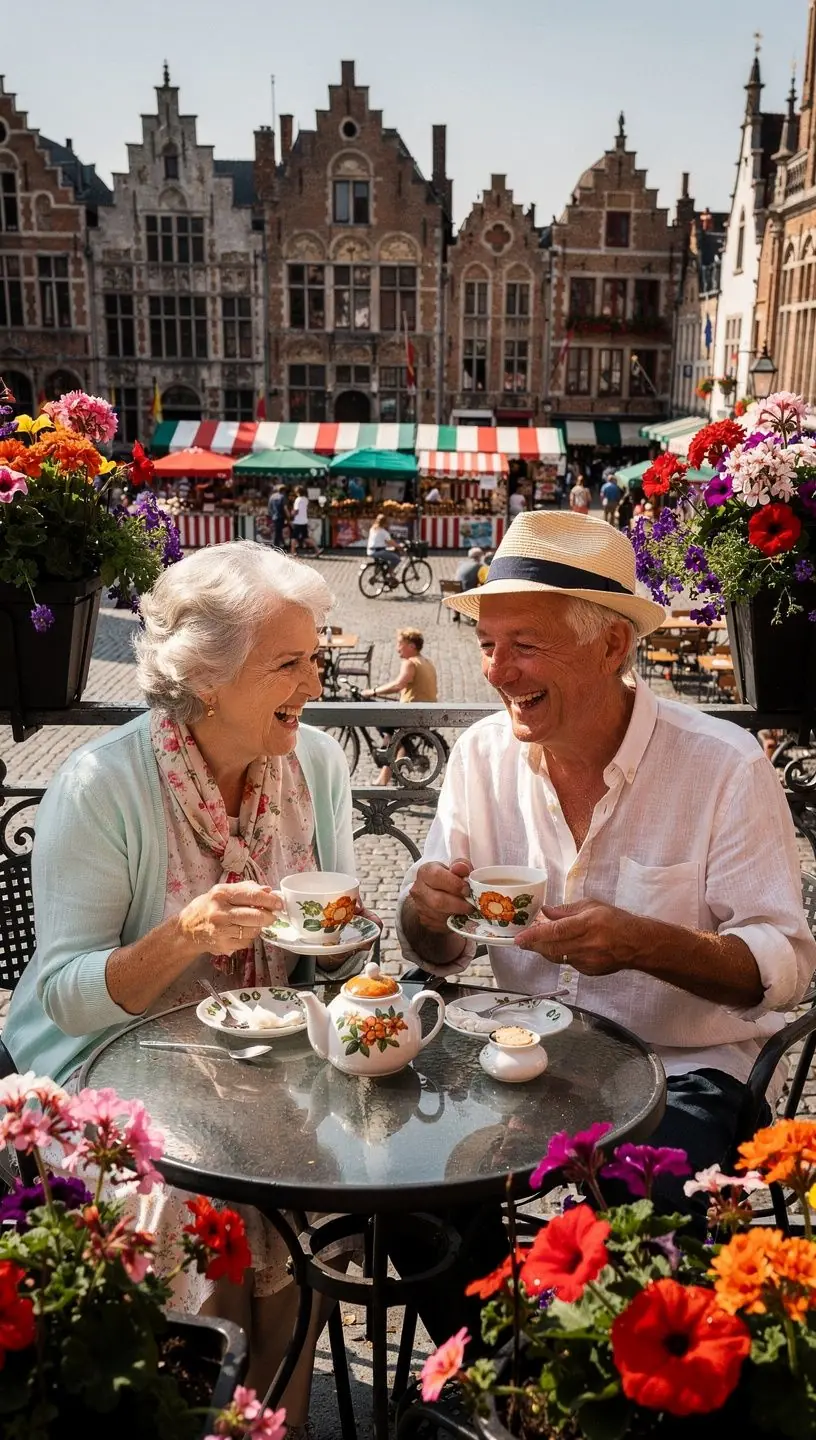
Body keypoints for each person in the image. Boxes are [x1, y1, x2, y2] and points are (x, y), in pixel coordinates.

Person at [4, 540, 373, 1423]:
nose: (314, 683)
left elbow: (341, 946)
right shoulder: (101, 783)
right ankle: (183, 1403)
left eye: (316, 656)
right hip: (104, 1074)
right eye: (289, 664)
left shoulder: (315, 764)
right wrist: (184, 935)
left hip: (263, 1066)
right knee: (189, 1195)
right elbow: (62, 993)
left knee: (341, 1171)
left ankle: (264, 1410)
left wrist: (340, 950)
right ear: (206, 679)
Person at [398, 511, 816, 1227]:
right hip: (513, 1060)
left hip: (683, 1072)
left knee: (636, 1206)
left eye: (525, 645)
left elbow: (783, 968)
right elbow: (442, 951)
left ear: (613, 644)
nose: (497, 672)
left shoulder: (723, 766)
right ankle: (491, 1342)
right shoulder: (479, 755)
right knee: (403, 1191)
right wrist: (424, 913)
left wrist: (640, 945)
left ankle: (594, 1338)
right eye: (489, 644)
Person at [363, 628, 438, 785]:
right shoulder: (426, 662)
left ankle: (388, 751)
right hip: (424, 714)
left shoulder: (410, 663)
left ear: (411, 646)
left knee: (380, 719)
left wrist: (373, 692)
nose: (397, 648)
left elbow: (398, 685)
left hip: (411, 715)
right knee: (395, 736)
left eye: (400, 644)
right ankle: (387, 772)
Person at [366, 511, 401, 581]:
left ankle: (379, 572)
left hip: (370, 551)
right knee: (396, 559)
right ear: (385, 523)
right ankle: (390, 573)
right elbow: (390, 542)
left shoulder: (372, 529)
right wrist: (399, 546)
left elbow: (380, 541)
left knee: (385, 558)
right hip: (378, 551)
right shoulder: (383, 532)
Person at [289, 486, 321, 556]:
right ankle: (317, 549)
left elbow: (296, 511)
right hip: (304, 521)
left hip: (298, 521)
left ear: (297, 492)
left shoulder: (298, 500)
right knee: (305, 537)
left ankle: (292, 552)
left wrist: (292, 513)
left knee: (294, 537)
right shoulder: (306, 499)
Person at [267, 483, 288, 549]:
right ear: (283, 491)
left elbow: (269, 507)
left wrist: (271, 515)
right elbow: (285, 508)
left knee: (277, 531)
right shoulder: (282, 497)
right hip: (281, 516)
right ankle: (276, 546)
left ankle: (282, 545)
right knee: (278, 532)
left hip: (274, 517)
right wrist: (288, 517)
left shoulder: (272, 496)